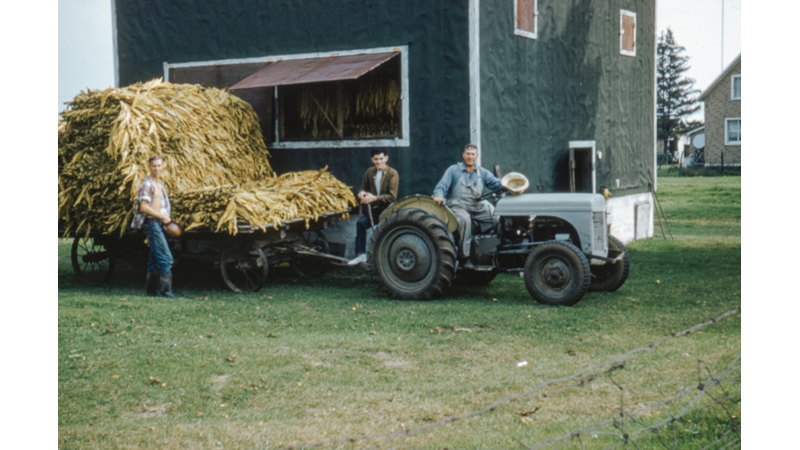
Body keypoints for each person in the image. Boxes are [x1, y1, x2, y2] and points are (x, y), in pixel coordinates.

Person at [433, 144, 502, 269]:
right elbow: (441, 187)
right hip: (458, 204)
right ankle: (464, 257)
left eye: (473, 154)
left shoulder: (483, 172)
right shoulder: (453, 170)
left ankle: (484, 250)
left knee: (496, 217)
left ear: (477, 156)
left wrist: (509, 182)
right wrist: (438, 195)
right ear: (463, 155)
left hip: (477, 204)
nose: (470, 157)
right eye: (468, 154)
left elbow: (497, 184)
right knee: (465, 220)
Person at [131, 154, 180, 298]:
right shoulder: (147, 184)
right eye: (154, 166)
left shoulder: (160, 184)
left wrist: (164, 217)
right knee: (166, 258)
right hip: (152, 223)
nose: (157, 168)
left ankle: (152, 291)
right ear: (149, 167)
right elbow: (144, 207)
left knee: (153, 259)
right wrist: (162, 216)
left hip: (158, 223)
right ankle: (166, 292)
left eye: (159, 165)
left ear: (163, 166)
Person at [348, 148, 399, 265]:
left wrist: (374, 198)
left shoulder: (393, 173)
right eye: (376, 159)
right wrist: (361, 193)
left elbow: (392, 196)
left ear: (386, 158)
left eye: (381, 159)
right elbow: (362, 187)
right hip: (375, 210)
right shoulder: (370, 172)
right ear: (372, 160)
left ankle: (386, 259)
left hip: (388, 210)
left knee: (382, 233)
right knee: (360, 224)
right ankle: (361, 255)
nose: (379, 162)